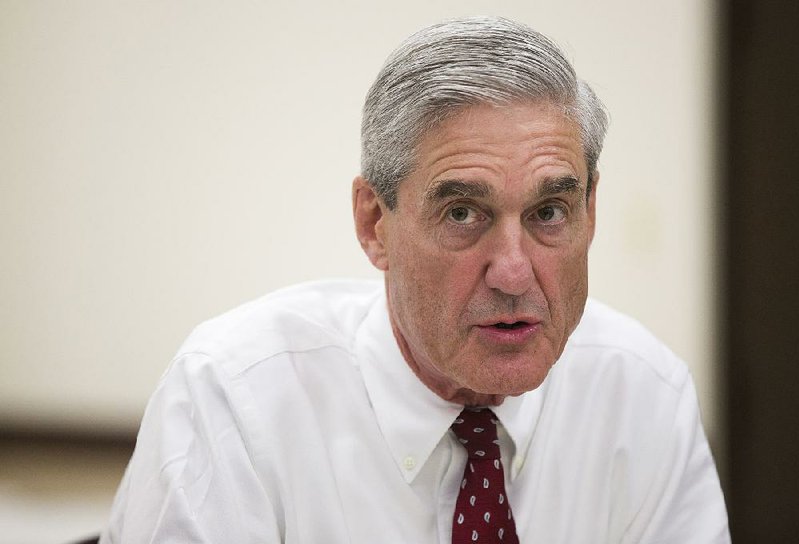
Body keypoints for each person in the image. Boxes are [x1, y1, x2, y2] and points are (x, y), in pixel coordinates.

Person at [100, 16, 730, 543]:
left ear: (591, 211)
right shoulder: (235, 399)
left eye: (548, 213)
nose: (513, 272)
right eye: (463, 213)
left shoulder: (643, 397)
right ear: (375, 223)